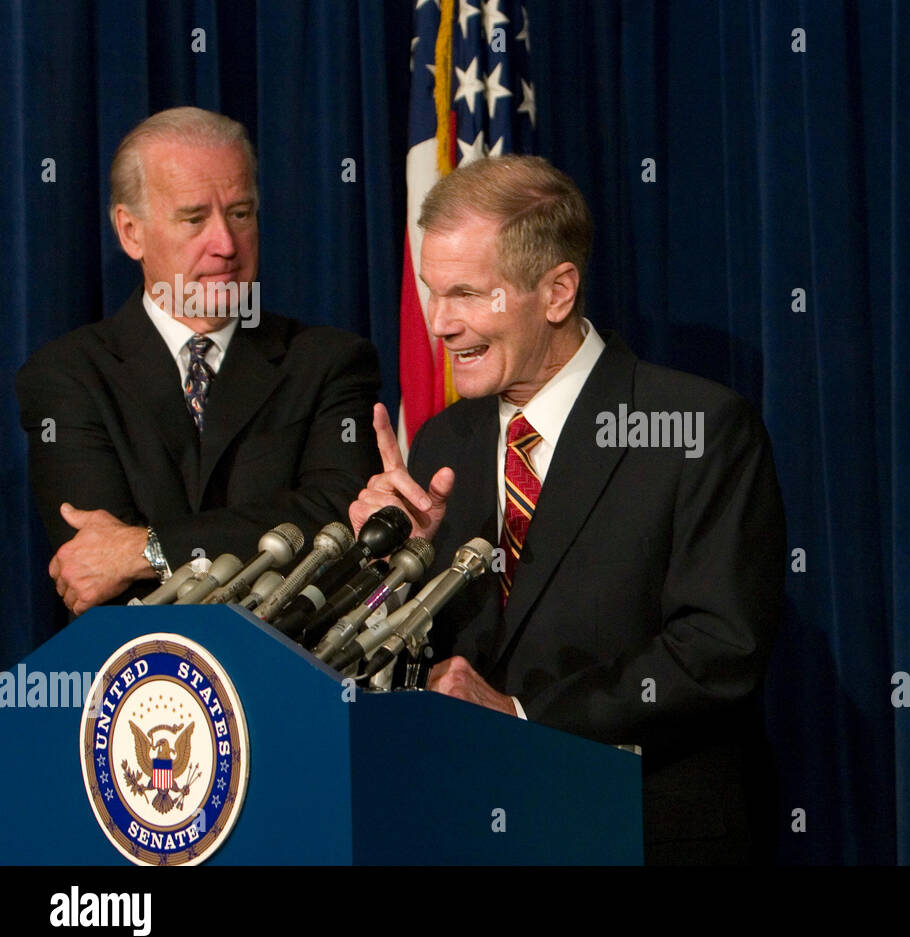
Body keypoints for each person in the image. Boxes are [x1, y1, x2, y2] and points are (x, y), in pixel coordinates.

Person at [348, 155, 786, 864]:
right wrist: (396, 570)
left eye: (465, 294)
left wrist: (525, 718)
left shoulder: (696, 426)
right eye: (433, 293)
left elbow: (718, 652)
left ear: (557, 292)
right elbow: (420, 668)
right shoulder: (441, 441)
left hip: (639, 830)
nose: (439, 325)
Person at [16, 107, 381, 614]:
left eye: (240, 213)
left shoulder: (329, 361)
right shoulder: (66, 377)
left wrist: (148, 548)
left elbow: (338, 519)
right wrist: (141, 555)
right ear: (130, 232)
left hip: (293, 668)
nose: (226, 245)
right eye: (194, 218)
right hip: (142, 678)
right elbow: (96, 568)